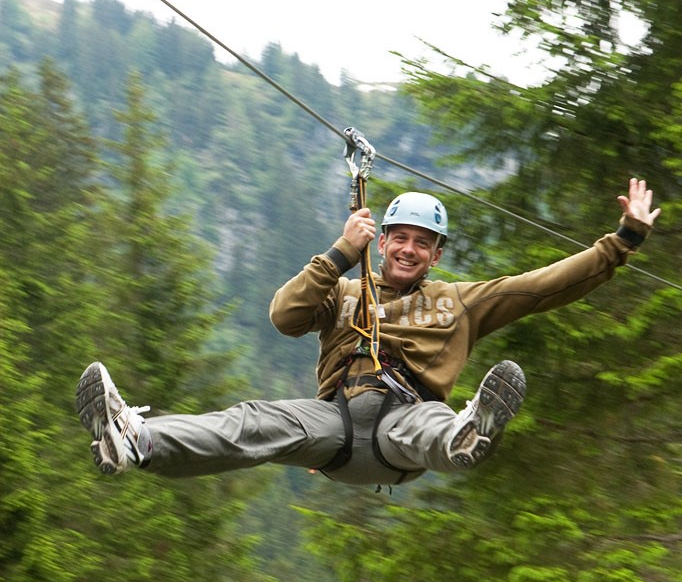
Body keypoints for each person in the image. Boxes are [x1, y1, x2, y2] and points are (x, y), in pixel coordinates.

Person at [76, 177, 659, 487]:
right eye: (398, 238)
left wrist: (623, 239)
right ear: (383, 243)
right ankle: (136, 442)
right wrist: (338, 252)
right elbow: (285, 315)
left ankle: (467, 437)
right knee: (252, 423)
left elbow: (548, 284)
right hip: (334, 424)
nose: (408, 249)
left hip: (403, 423)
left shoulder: (457, 303)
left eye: (421, 243)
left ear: (435, 254)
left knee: (430, 425)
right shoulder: (346, 290)